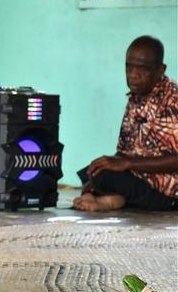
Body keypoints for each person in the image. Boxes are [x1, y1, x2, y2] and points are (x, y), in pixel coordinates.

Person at [73, 35, 178, 212]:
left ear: (160, 70)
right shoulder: (136, 98)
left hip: (168, 193)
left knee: (106, 177)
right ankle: (111, 197)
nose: (133, 75)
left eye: (142, 69)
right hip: (140, 177)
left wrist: (127, 164)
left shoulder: (173, 101)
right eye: (129, 67)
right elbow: (124, 152)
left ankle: (107, 197)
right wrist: (111, 163)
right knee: (94, 169)